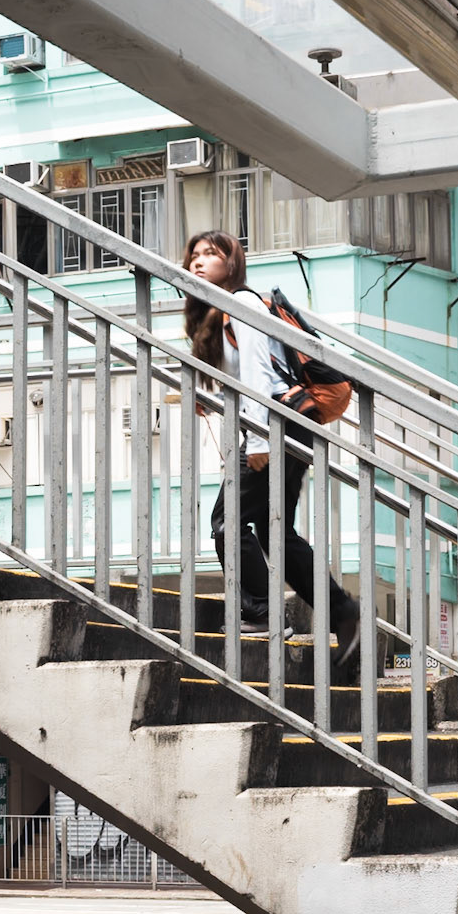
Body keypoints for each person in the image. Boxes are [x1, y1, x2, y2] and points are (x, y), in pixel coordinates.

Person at [184, 230, 360, 666]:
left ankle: (261, 611)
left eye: (211, 254)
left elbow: (261, 376)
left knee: (227, 523)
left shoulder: (242, 304)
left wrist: (259, 439)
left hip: (277, 425)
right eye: (194, 256)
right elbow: (235, 386)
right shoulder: (216, 314)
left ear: (233, 262)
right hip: (284, 426)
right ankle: (344, 613)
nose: (198, 262)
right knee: (275, 533)